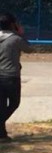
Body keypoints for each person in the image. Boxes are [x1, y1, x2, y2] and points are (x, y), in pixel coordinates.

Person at [0, 13, 33, 142]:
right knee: (14, 103)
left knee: (2, 105)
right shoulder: (15, 39)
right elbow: (29, 49)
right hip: (11, 76)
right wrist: (21, 33)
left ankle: (2, 135)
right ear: (12, 25)